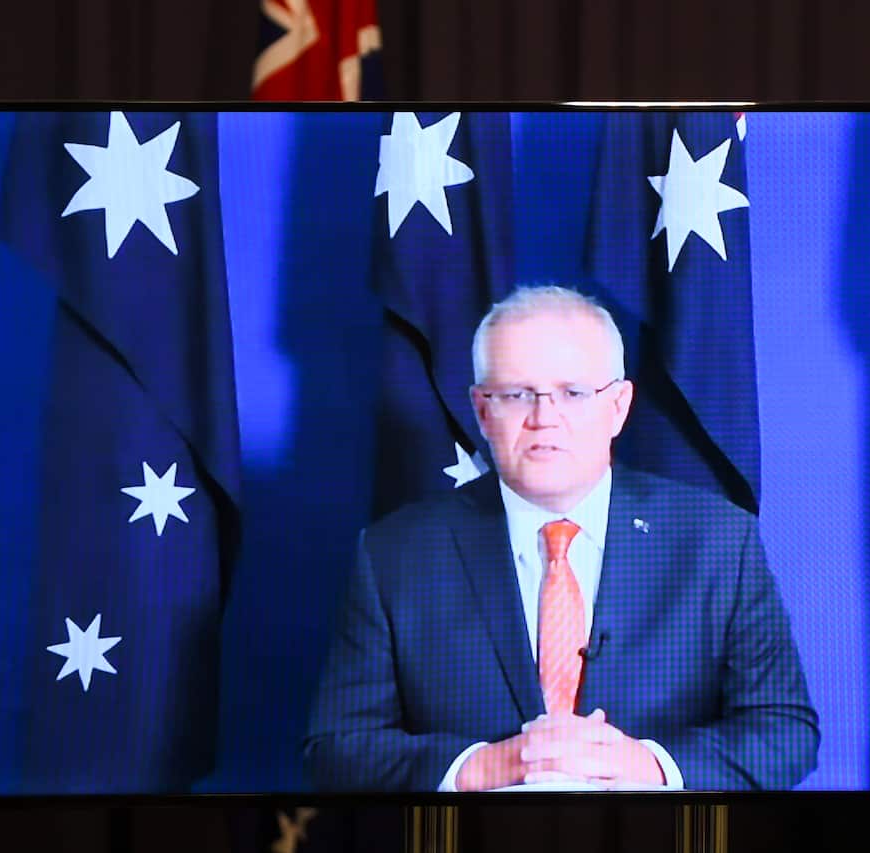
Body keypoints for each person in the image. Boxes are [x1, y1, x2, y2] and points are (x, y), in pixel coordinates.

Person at [304, 285, 819, 791]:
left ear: (618, 406)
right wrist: (478, 768)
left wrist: (648, 765)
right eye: (516, 395)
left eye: (573, 393)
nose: (544, 418)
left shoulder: (718, 542)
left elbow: (786, 732)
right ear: (483, 410)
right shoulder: (395, 555)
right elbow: (336, 747)